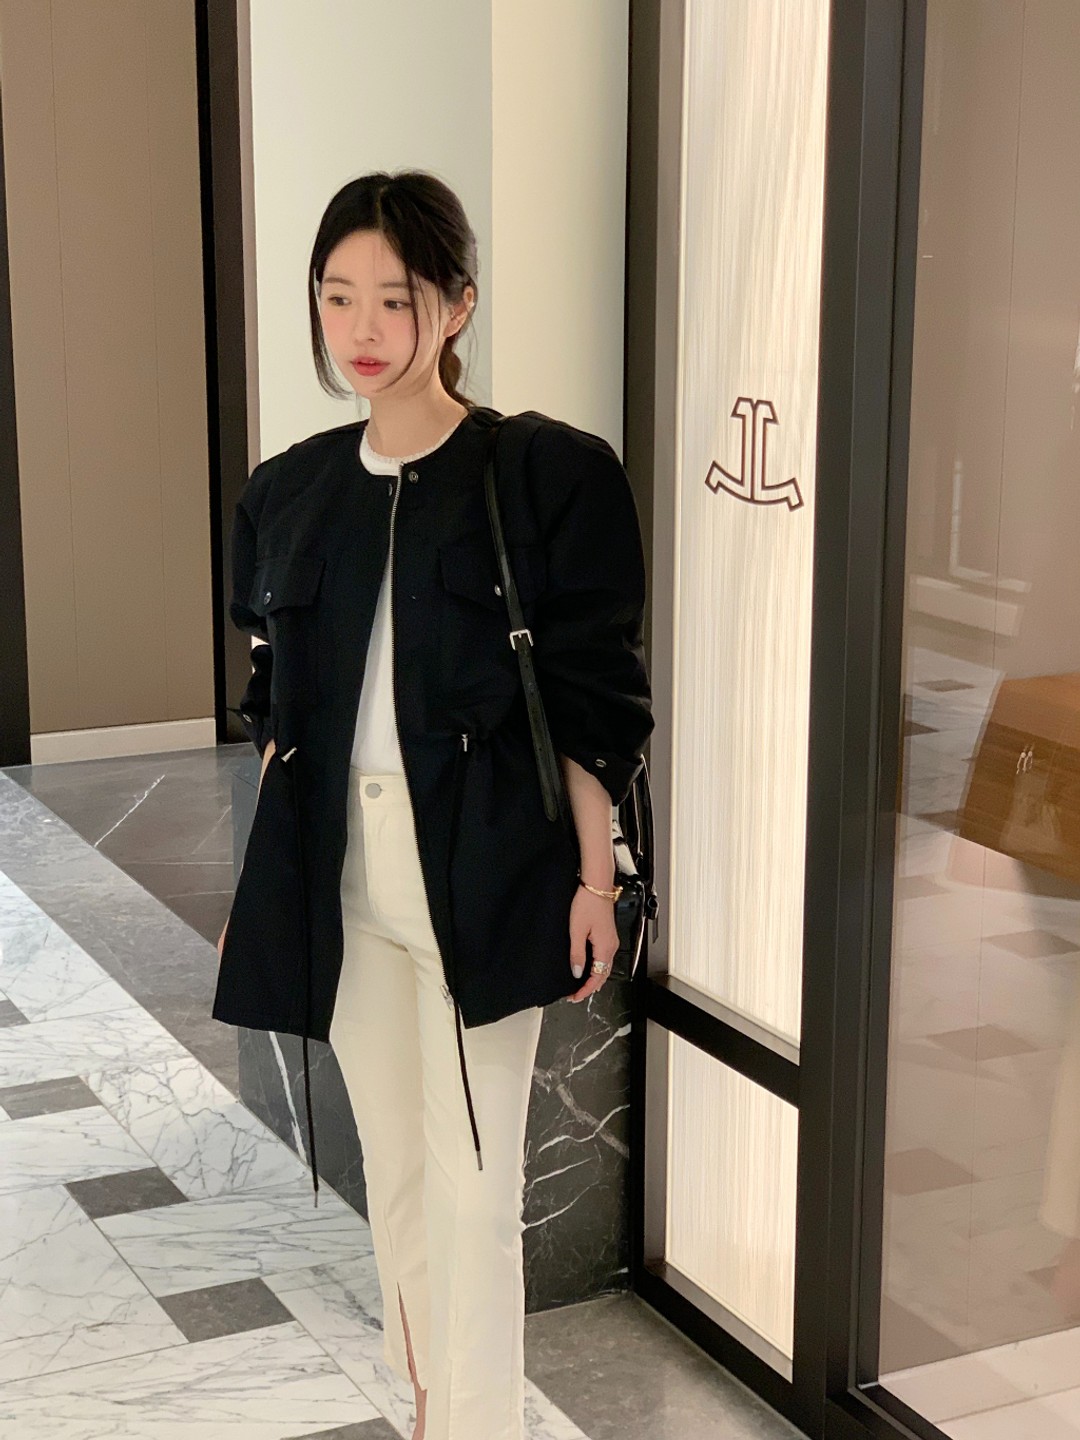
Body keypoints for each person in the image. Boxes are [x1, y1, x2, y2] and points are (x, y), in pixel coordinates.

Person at [213, 169, 654, 1440]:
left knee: (473, 1187)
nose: (361, 328)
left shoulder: (542, 474)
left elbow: (589, 705)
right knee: (400, 1182)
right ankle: (427, 1408)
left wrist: (595, 878)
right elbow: (278, 718)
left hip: (483, 873)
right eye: (337, 295)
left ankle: (479, 1425)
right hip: (342, 876)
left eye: (394, 299)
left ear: (456, 305)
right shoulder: (291, 492)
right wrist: (265, 891)